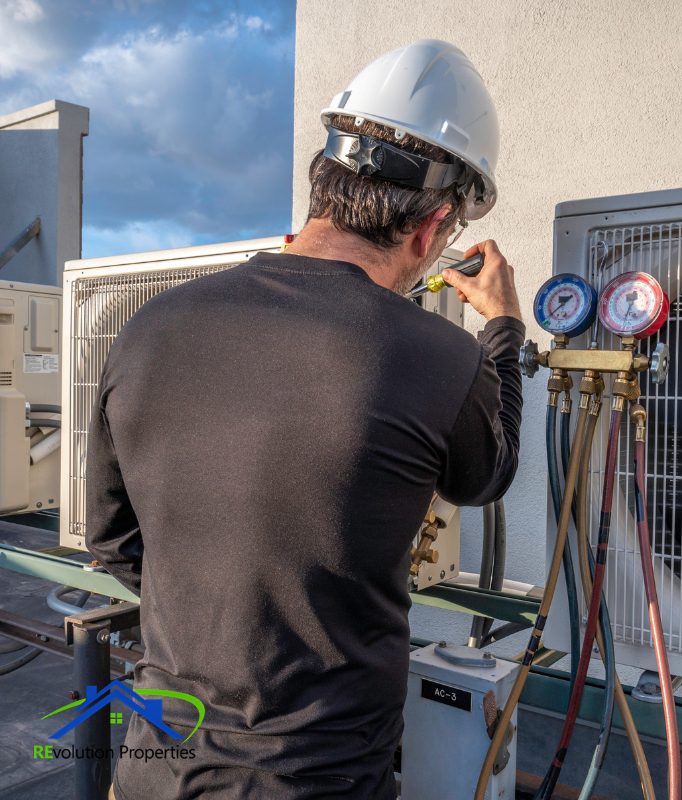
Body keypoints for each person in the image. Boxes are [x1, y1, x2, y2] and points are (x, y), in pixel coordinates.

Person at [87, 39, 524, 800]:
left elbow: (113, 541)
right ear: (432, 228)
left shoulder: (151, 326)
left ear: (324, 182)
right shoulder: (438, 356)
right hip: (316, 781)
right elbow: (487, 474)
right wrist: (504, 330)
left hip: (153, 770)